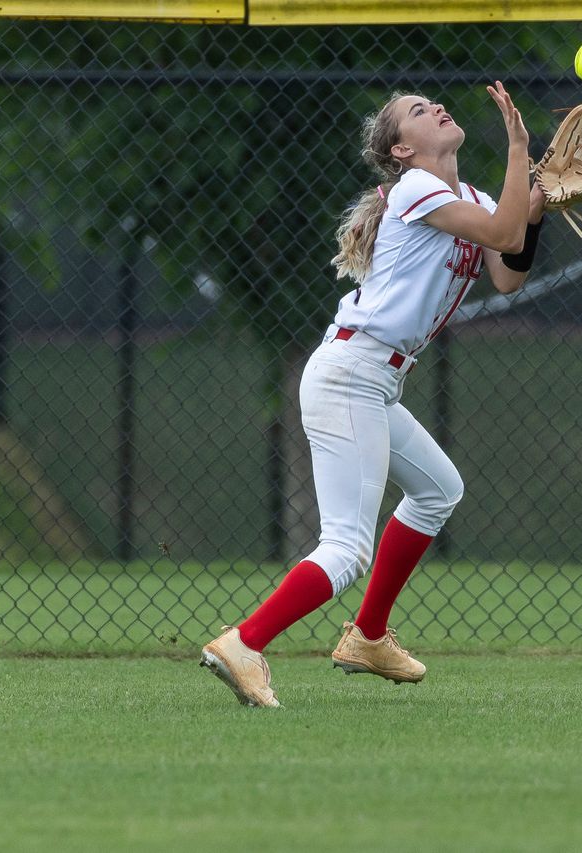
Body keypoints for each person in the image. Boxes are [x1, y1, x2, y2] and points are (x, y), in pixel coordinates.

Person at [200, 82, 546, 707]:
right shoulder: (416, 190)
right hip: (351, 372)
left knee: (439, 490)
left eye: (432, 103)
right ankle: (244, 642)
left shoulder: (469, 197)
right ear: (403, 150)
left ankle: (367, 635)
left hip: (377, 380)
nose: (435, 108)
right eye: (418, 112)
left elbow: (510, 273)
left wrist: (536, 211)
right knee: (346, 546)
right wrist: (520, 150)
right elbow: (500, 230)